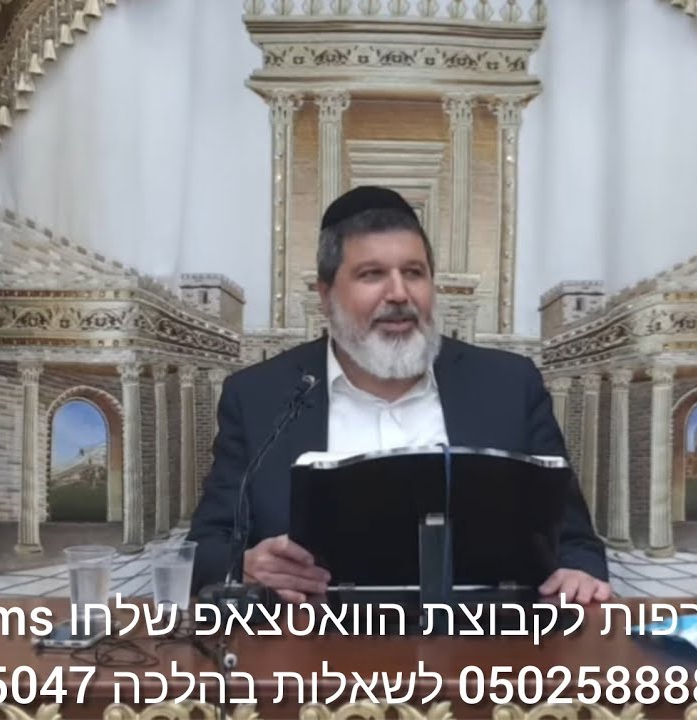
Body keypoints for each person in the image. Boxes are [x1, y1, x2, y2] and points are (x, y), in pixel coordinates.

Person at [187, 185, 612, 604]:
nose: (398, 294)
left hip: (484, 642)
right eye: (371, 274)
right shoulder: (259, 396)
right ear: (326, 295)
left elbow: (576, 545)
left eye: (413, 273)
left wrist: (578, 575)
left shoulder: (509, 386)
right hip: (311, 643)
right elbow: (205, 547)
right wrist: (244, 565)